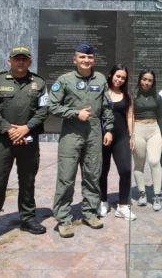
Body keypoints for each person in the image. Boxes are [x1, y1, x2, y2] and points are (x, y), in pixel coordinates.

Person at [0, 46, 48, 248]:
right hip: (2, 140)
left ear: (30, 62)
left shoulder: (39, 83)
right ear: (9, 61)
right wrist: (9, 129)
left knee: (27, 181)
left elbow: (44, 110)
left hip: (28, 139)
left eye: (24, 59)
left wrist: (27, 128)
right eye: (16, 59)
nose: (20, 62)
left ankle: (27, 220)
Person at [49, 42, 114, 238]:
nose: (86, 60)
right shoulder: (65, 80)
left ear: (94, 59)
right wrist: (75, 113)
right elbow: (53, 106)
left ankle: (89, 212)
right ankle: (63, 218)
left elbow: (107, 107)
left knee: (92, 176)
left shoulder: (101, 79)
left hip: (94, 136)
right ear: (75, 59)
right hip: (71, 136)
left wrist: (109, 129)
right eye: (82, 57)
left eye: (90, 57)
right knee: (66, 178)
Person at [99, 64, 135, 221]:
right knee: (102, 170)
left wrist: (132, 135)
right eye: (117, 76)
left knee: (126, 170)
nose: (119, 80)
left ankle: (122, 206)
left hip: (121, 137)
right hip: (102, 136)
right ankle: (102, 201)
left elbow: (129, 116)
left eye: (123, 78)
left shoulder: (127, 95)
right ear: (110, 74)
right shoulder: (101, 92)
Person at [131, 69, 162, 212]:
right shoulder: (133, 96)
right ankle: (142, 193)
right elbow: (129, 116)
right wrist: (131, 134)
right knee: (139, 163)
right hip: (138, 129)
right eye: (144, 79)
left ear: (153, 82)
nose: (147, 82)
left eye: (150, 80)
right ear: (140, 80)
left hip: (154, 130)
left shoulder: (157, 97)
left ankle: (156, 195)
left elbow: (161, 116)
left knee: (154, 161)